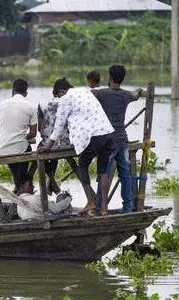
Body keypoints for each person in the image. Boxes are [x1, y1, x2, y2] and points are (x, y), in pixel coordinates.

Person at [41, 78, 114, 216]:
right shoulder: (85, 91)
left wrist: (48, 146)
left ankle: (91, 201)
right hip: (107, 133)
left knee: (82, 165)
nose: (58, 99)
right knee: (103, 171)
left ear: (61, 91)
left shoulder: (65, 98)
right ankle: (104, 208)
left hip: (94, 136)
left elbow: (58, 127)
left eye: (57, 95)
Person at [93, 65, 147, 213]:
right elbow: (136, 94)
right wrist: (140, 91)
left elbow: (87, 95)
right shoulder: (126, 95)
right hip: (122, 140)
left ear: (109, 78)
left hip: (107, 141)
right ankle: (128, 207)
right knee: (125, 174)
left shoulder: (102, 94)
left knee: (103, 173)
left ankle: (99, 207)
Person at [0, 79, 38, 193]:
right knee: (30, 153)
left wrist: (6, 136)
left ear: (12, 91)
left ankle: (19, 185)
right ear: (26, 93)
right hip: (20, 148)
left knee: (16, 165)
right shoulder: (31, 107)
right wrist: (22, 137)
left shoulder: (1, 105)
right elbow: (33, 134)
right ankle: (23, 184)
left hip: (2, 148)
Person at [37, 87, 72, 194]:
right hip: (65, 143)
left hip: (49, 143)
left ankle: (51, 180)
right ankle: (51, 184)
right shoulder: (69, 103)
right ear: (62, 91)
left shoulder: (42, 104)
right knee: (53, 153)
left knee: (39, 150)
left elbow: (39, 128)